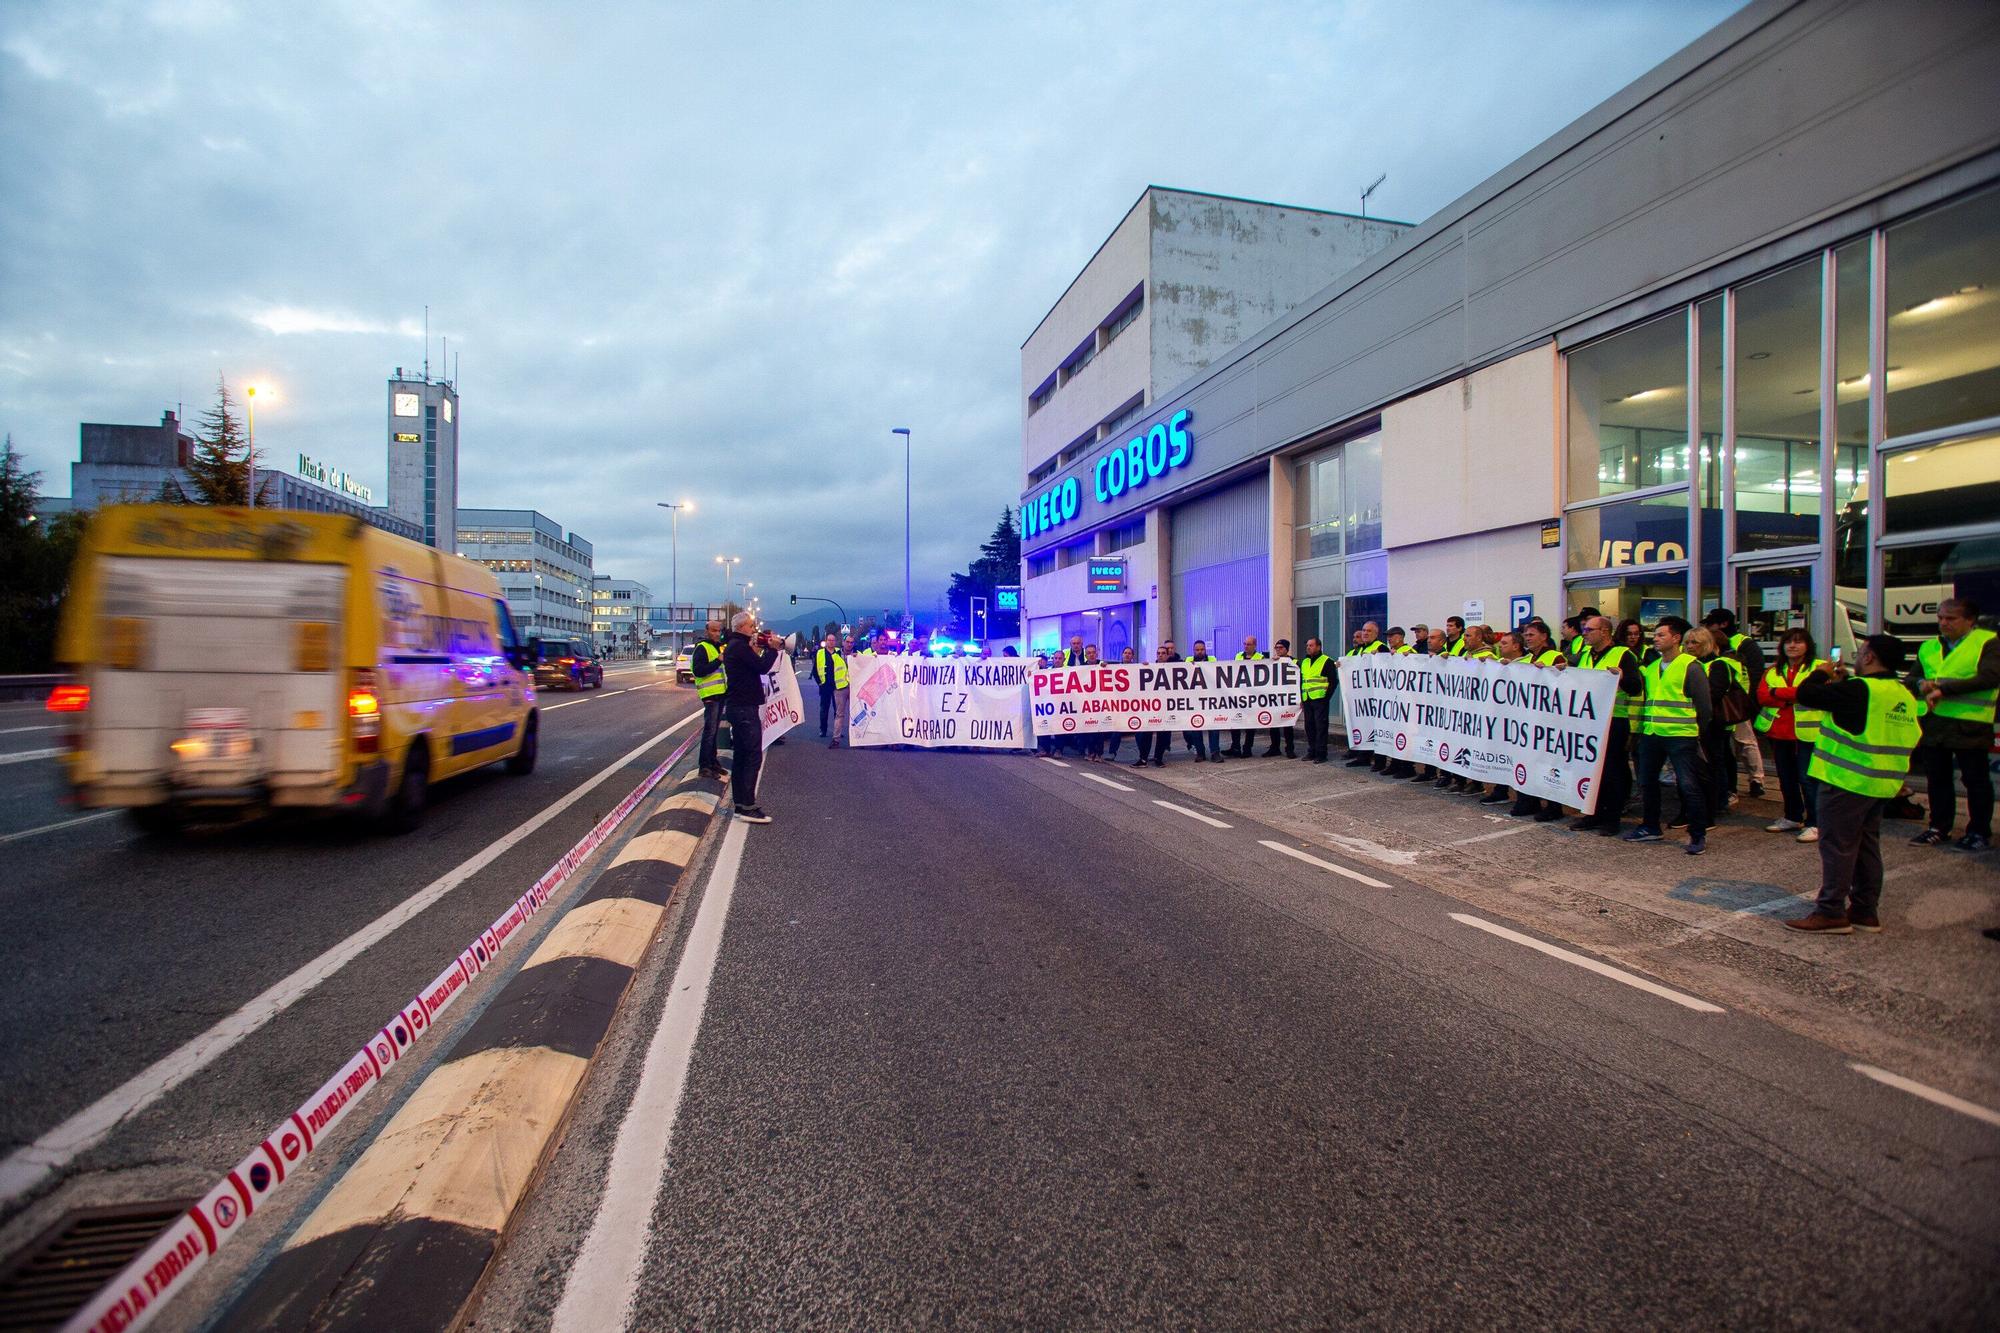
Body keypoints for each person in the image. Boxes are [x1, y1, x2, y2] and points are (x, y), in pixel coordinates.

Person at [1784, 634, 1928, 933]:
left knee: (1837, 846)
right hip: (1881, 783)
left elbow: (1806, 694)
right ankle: (1865, 910)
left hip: (1846, 781)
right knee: (1866, 846)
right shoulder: (1900, 693)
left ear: (1871, 657)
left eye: (1862, 651)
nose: (1859, 656)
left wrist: (1822, 672)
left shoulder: (1860, 689)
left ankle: (1831, 911)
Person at [1907, 597, 1998, 851]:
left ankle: (1979, 831)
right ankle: (1938, 827)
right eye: (1940, 618)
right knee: (1937, 778)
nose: (1943, 623)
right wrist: (1920, 685)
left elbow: (1990, 677)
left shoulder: (1986, 642)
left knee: (1975, 780)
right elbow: (1914, 676)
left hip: (1969, 723)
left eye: (1950, 618)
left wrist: (1944, 689)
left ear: (1969, 621)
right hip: (1935, 723)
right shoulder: (1929, 646)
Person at [1625, 616, 1711, 854]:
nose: (1656, 640)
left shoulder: (1690, 666)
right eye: (1655, 636)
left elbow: (1704, 707)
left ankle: (1697, 833)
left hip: (1680, 735)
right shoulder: (1652, 668)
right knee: (1647, 781)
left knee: (1688, 784)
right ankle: (1650, 826)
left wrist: (1697, 733)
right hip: (1652, 734)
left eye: (1661, 635)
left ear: (1676, 638)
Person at [1570, 614, 1642, 836]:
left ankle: (1612, 817)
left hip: (1614, 721)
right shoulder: (1584, 656)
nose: (1585, 634)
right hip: (1589, 721)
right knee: (1591, 769)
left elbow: (1635, 687)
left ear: (1604, 632)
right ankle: (1593, 813)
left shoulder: (1622, 655)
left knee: (1613, 771)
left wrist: (1620, 678)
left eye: (1589, 630)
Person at [1755, 628, 1825, 841]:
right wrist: (1792, 695)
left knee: (1808, 778)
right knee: (1786, 778)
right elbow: (1762, 696)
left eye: (1798, 642)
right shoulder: (1774, 670)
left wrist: (1779, 693)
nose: (1792, 646)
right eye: (1788, 642)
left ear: (1808, 645)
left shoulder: (1819, 668)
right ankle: (1793, 815)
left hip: (1808, 732)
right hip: (1779, 731)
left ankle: (1815, 822)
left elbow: (1816, 693)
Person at [721, 612, 780, 822]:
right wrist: (772, 650)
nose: (754, 629)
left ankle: (740, 804)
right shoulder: (739, 647)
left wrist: (758, 649)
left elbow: (752, 666)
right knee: (752, 756)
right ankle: (747, 806)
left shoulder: (735, 646)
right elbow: (762, 667)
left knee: (741, 757)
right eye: (751, 626)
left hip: (739, 707)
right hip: (744, 708)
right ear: (741, 627)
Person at [1703, 607, 1767, 797]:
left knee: (1745, 742)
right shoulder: (1727, 646)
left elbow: (1755, 674)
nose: (1707, 626)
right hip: (1730, 704)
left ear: (1723, 624)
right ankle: (1743, 783)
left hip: (1735, 704)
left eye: (1710, 623)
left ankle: (1756, 780)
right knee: (1732, 747)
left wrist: (1751, 703)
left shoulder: (1742, 644)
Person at [1685, 628, 1737, 824]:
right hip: (1692, 722)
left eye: (1695, 642)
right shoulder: (1687, 665)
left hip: (1713, 723)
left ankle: (1717, 802)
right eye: (1688, 642)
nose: (1690, 646)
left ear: (1706, 643)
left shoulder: (1718, 665)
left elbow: (1713, 694)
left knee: (1714, 763)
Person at [1478, 631, 1530, 804]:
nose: (1500, 646)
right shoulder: (1499, 664)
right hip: (1502, 718)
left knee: (1522, 758)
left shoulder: (1529, 663)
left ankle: (1526, 797)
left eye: (1505, 644)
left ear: (1516, 646)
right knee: (1501, 753)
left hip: (1522, 720)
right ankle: (1501, 790)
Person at [690, 619, 728, 780]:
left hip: (719, 694)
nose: (717, 633)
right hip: (710, 695)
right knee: (709, 731)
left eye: (719, 630)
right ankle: (704, 766)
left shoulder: (716, 646)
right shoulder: (702, 648)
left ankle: (712, 762)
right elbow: (699, 671)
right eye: (714, 630)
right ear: (706, 631)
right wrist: (718, 660)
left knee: (714, 731)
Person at [1135, 642, 1178, 767]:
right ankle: (1143, 759)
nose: (1160, 655)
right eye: (1158, 653)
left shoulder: (1174, 668)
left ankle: (1158, 758)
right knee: (1146, 734)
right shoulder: (1150, 667)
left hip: (1166, 707)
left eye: (1163, 653)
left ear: (1168, 655)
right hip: (1152, 706)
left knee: (1163, 734)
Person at [1185, 639, 1222, 763]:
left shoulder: (1213, 660)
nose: (1200, 652)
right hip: (1195, 699)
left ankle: (1215, 752)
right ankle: (1200, 752)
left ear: (1205, 650)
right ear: (1193, 651)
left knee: (1214, 726)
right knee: (1196, 726)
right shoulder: (1188, 661)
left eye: (1202, 649)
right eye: (1197, 650)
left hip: (1210, 699)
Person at [1228, 635, 1265, 757]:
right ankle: (1235, 747)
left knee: (1250, 723)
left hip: (1253, 696)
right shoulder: (1238, 656)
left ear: (1255, 645)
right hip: (1238, 695)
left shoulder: (1261, 658)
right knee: (1235, 722)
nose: (1246, 646)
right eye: (1244, 644)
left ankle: (1247, 748)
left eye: (1248, 644)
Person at [1297, 636, 1333, 763]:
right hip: (1307, 698)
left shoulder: (1326, 661)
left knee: (1321, 727)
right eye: (1307, 645)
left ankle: (1321, 754)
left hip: (1320, 699)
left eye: (1311, 645)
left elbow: (1333, 681)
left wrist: (1326, 697)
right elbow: (1302, 680)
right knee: (1309, 726)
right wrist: (1301, 697)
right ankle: (1312, 751)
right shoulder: (1305, 662)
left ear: (1318, 647)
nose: (1308, 647)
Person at [813, 632, 848, 749]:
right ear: (826, 641)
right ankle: (823, 730)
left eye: (833, 640)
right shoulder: (820, 653)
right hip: (825, 686)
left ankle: (836, 732)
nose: (831, 642)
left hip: (838, 685)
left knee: (837, 710)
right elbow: (815, 671)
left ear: (835, 642)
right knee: (824, 708)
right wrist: (820, 683)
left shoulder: (839, 652)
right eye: (829, 640)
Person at [1265, 639, 1296, 756]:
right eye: (1276, 647)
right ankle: (1274, 747)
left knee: (1288, 724)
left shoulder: (1294, 662)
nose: (1278, 650)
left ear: (1287, 649)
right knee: (1274, 724)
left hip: (1287, 698)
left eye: (1280, 647)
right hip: (1275, 698)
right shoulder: (1272, 662)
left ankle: (1290, 749)